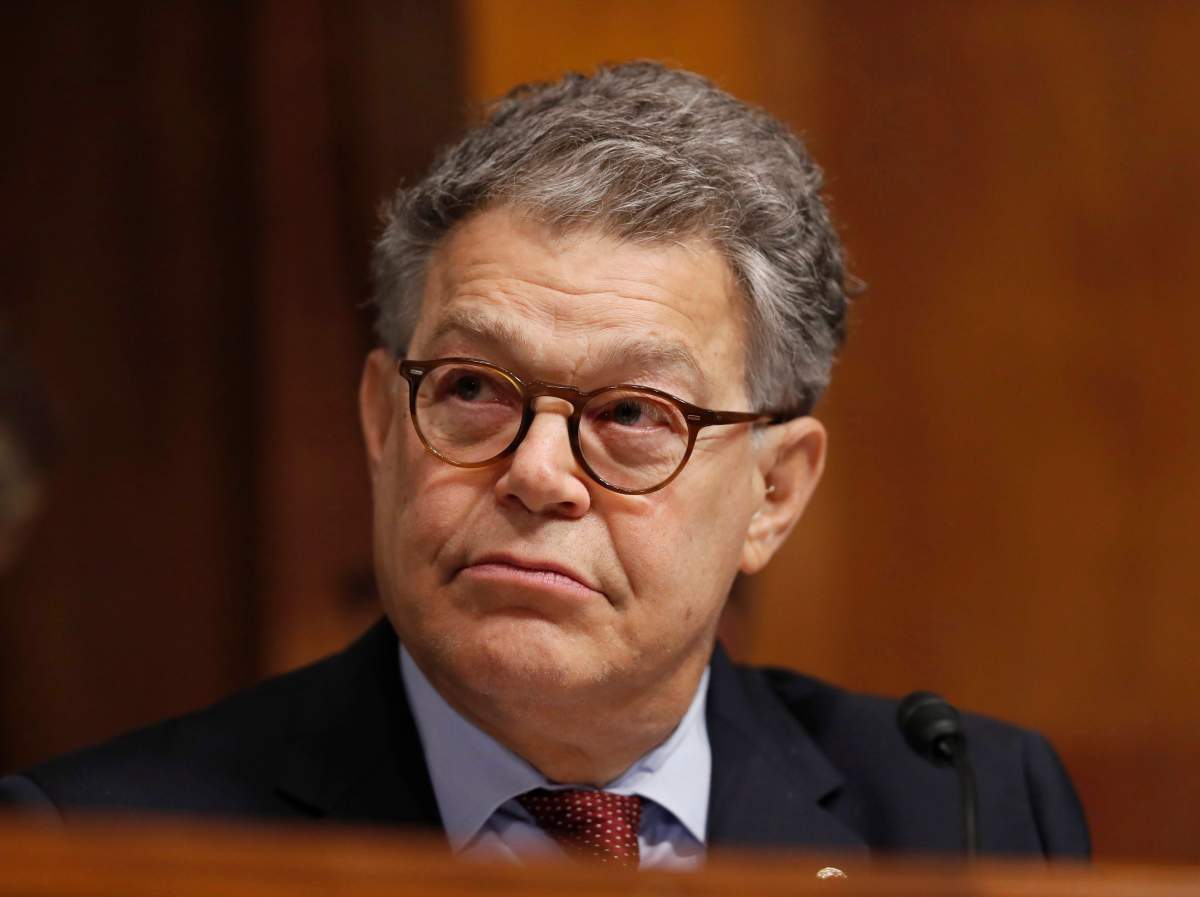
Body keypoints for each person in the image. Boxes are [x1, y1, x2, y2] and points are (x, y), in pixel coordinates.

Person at [0, 63, 1088, 867]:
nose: (538, 473)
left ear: (774, 491)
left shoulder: (970, 813)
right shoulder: (100, 847)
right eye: (472, 391)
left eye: (630, 411)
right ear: (383, 420)